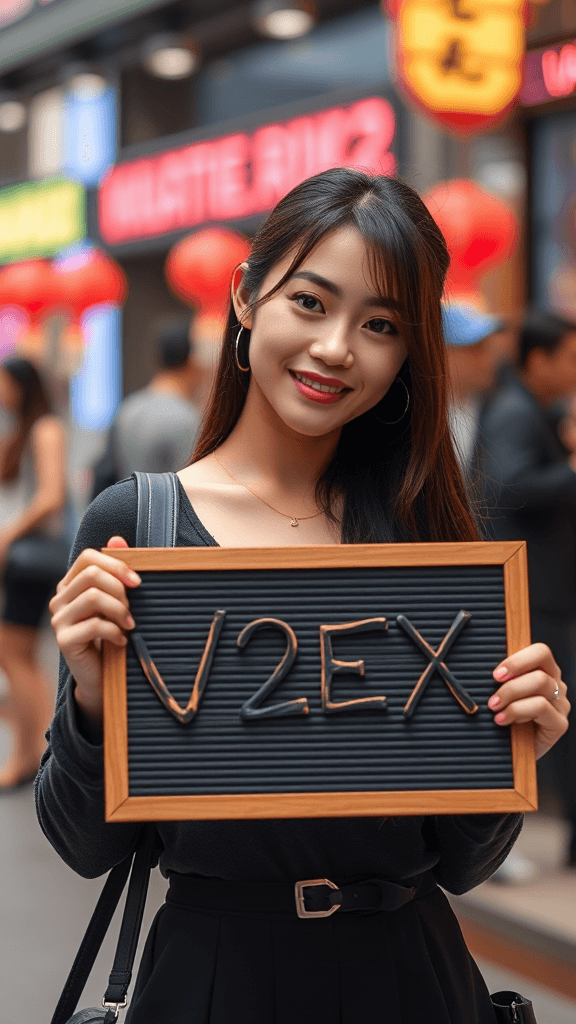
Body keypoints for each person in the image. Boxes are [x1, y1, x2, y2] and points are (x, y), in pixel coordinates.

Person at [38, 170, 569, 1024]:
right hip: (211, 980)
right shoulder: (141, 525)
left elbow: (463, 862)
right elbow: (83, 844)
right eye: (312, 302)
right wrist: (95, 702)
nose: (336, 349)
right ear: (248, 297)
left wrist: (514, 756)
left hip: (411, 975)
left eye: (381, 324)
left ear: (408, 354)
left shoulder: (427, 542)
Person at [476, 309, 576, 867]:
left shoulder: (528, 407)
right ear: (538, 360)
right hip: (530, 592)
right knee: (546, 710)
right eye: (569, 357)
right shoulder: (516, 410)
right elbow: (508, 484)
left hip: (540, 588)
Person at [0, 358, 67, 789]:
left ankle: (38, 755)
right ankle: (28, 754)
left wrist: (7, 536)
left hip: (34, 557)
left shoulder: (45, 428)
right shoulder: (21, 430)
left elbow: (51, 497)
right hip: (25, 557)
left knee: (15, 655)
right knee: (16, 655)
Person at [442, 303, 505, 470]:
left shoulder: (488, 405)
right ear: (443, 354)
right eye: (476, 349)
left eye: (487, 348)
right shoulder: (415, 417)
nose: (488, 359)